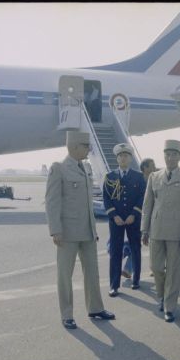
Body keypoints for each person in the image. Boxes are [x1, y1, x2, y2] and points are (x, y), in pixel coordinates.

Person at [45, 131, 115, 329]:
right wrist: (55, 230)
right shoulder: (58, 168)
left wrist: (93, 229)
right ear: (74, 147)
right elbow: (52, 202)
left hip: (87, 232)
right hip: (66, 233)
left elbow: (87, 204)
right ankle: (66, 314)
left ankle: (95, 308)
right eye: (85, 146)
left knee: (92, 272)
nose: (88, 149)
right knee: (64, 275)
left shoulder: (84, 168)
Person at [142, 140, 180, 323]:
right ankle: (162, 295)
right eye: (167, 154)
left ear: (179, 157)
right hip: (156, 230)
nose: (170, 157)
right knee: (156, 268)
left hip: (177, 232)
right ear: (163, 155)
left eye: (174, 154)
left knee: (173, 271)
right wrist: (144, 229)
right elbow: (147, 204)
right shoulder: (154, 177)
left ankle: (169, 306)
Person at [103, 143, 145, 296]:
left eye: (125, 156)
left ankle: (136, 279)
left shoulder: (139, 177)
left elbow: (142, 197)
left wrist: (134, 213)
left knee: (135, 248)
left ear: (130, 158)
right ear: (117, 158)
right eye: (120, 156)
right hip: (116, 220)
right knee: (115, 251)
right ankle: (114, 285)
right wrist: (114, 216)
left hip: (133, 219)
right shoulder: (109, 177)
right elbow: (106, 198)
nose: (123, 158)